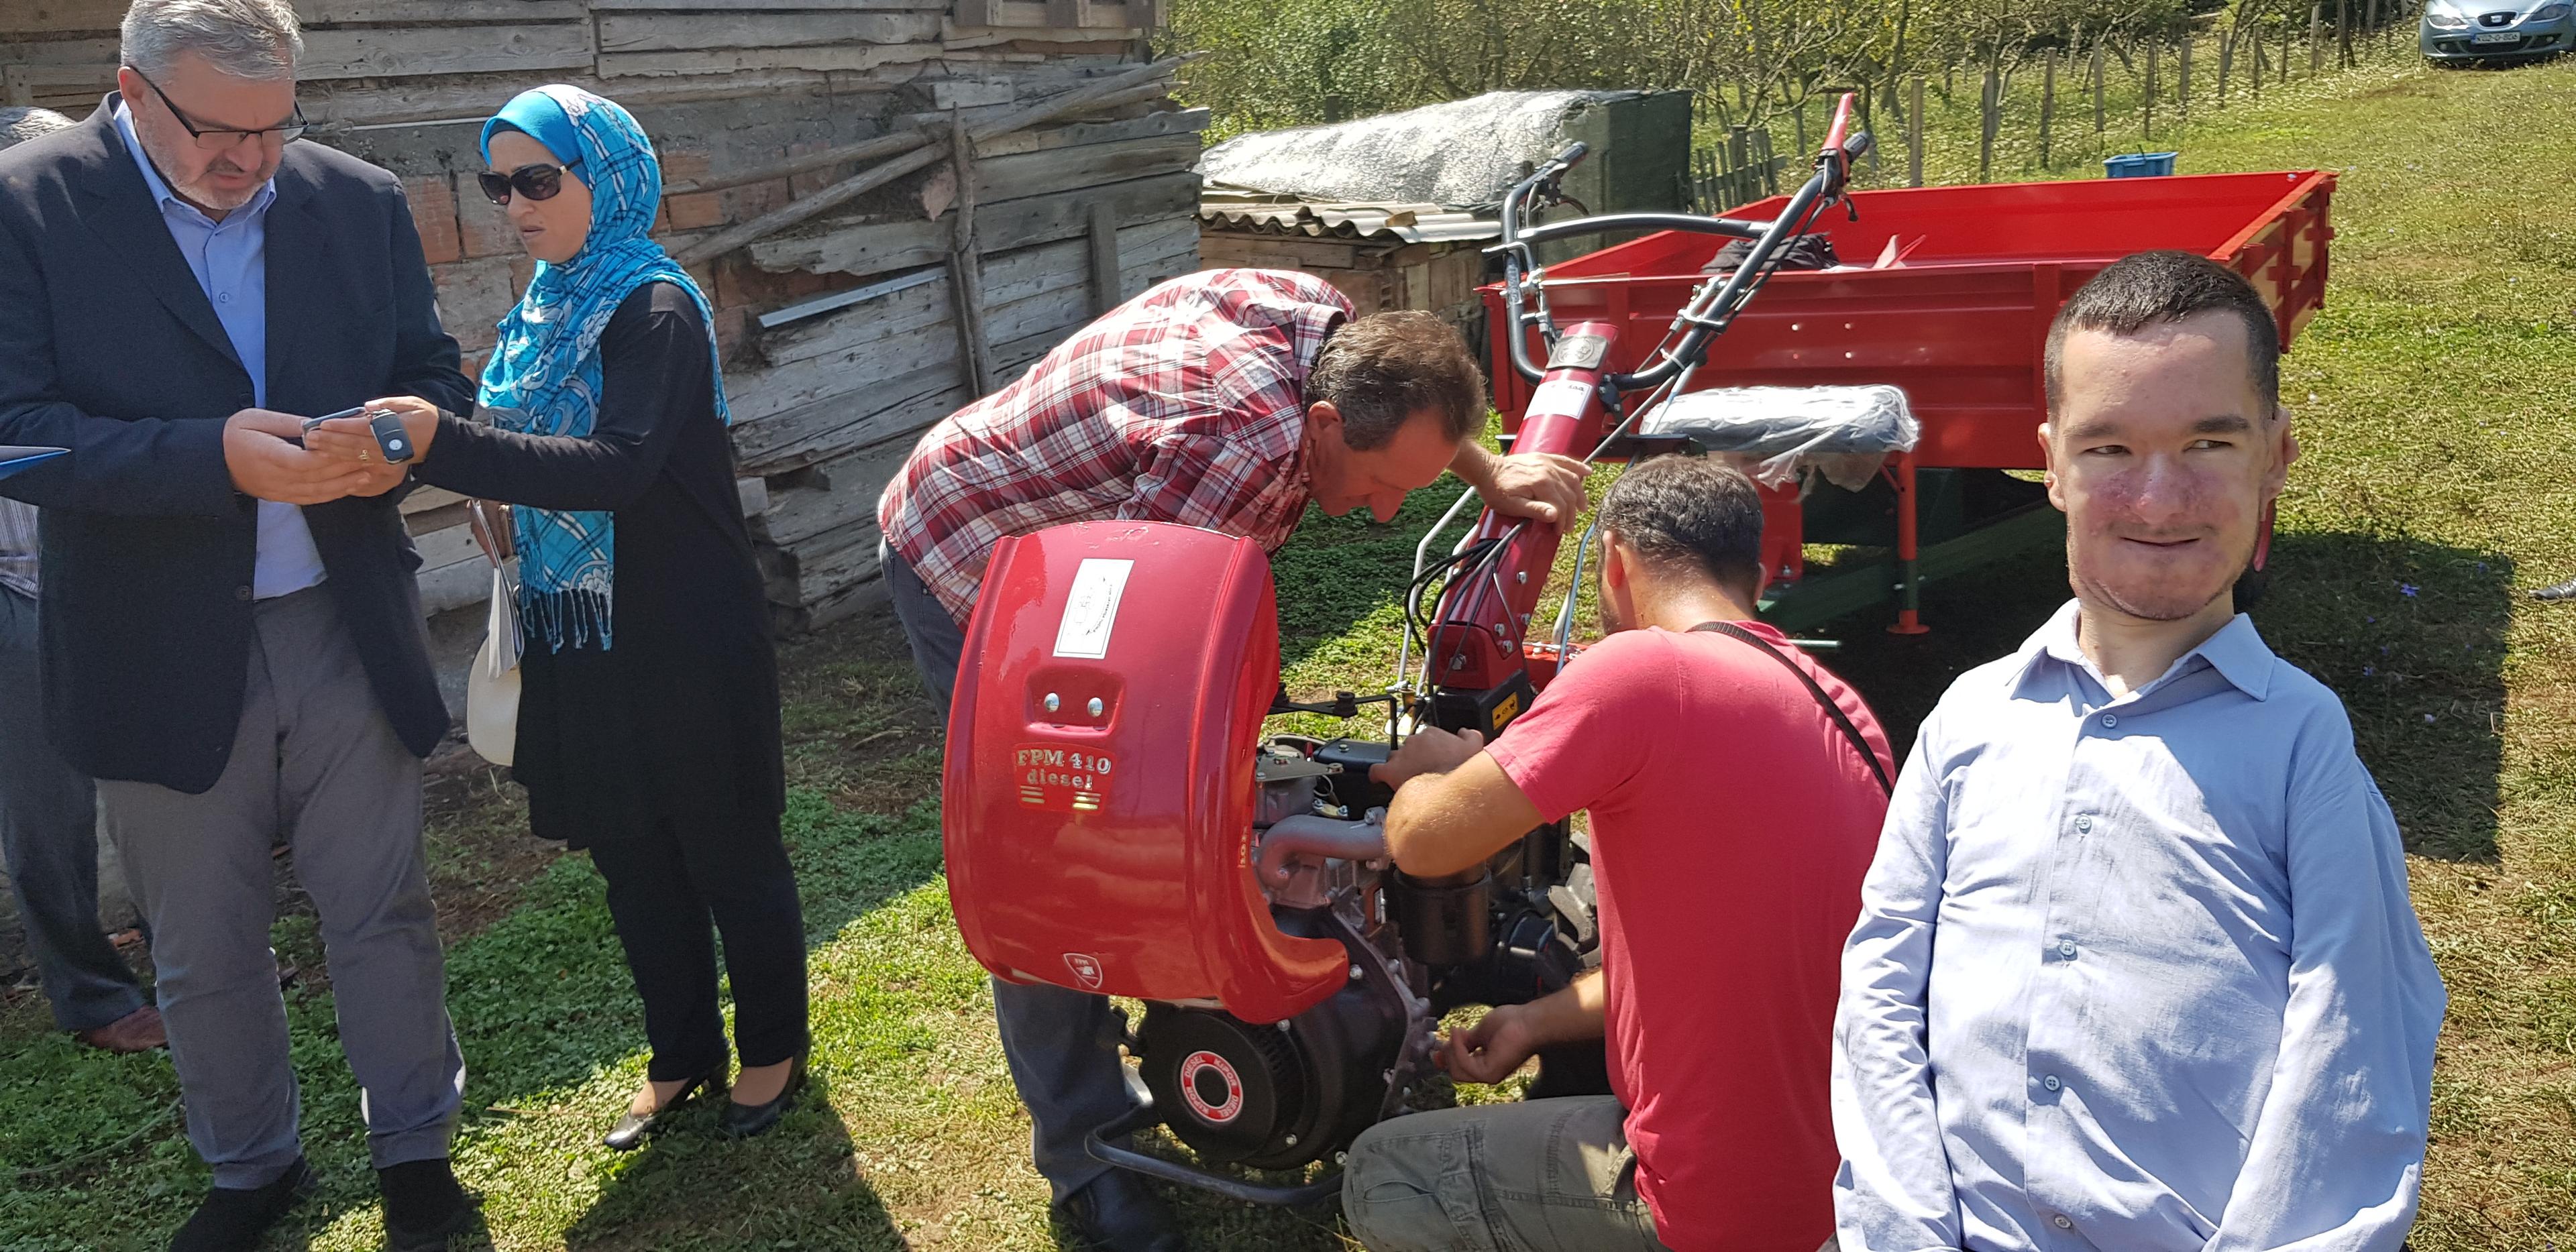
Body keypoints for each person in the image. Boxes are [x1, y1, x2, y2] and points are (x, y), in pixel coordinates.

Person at [876, 268, 1591, 1250]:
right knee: (1058, 842)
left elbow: (1410, 411)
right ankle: (1087, 1162)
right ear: (1330, 424)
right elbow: (1157, 681)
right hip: (974, 550)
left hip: (1093, 520)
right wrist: (1385, 777)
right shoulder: (1236, 450)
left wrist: (1487, 473)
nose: (1384, 516)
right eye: (1382, 485)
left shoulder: (1331, 326)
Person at [1831, 251, 2447, 1251]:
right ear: (2050, 464)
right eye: (2109, 449)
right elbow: (1882, 988)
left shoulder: (2301, 742)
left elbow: (2352, 1054)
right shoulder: (1969, 717)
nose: (2160, 501)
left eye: (2210, 440)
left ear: (2278, 454)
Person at [0, 3, 478, 1249]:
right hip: (149, 638)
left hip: (339, 617)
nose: (252, 162)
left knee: (380, 907)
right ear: (129, 90)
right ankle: (251, 1165)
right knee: (200, 938)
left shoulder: (358, 198)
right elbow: (13, 429)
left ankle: (417, 1150)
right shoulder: (29, 202)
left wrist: (393, 440)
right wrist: (205, 457)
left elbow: (434, 376)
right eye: (219, 132)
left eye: (276, 130)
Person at [311, 84, 809, 1149]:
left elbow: (621, 466)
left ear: (609, 175)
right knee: (632, 850)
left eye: (540, 180)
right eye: (499, 185)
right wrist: (493, 494)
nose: (516, 206)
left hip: (681, 629)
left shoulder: (652, 307)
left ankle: (773, 1045)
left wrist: (443, 443)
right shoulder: (546, 302)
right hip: (580, 624)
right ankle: (681, 1051)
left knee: (727, 847)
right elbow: (526, 439)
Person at [1337, 455, 1896, 1252]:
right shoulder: (1843, 712)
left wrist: (1435, 772)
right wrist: (1534, 1020)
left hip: (1716, 1209)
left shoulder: (1643, 669)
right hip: (1838, 1189)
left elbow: (1422, 843)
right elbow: (1705, 961)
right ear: (1760, 573)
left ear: (1616, 563)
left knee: (1385, 1171)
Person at [0, 105, 165, 1057]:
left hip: (116, 574)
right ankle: (92, 991)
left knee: (165, 776)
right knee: (46, 808)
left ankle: (192, 949)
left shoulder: (106, 290)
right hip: (17, 584)